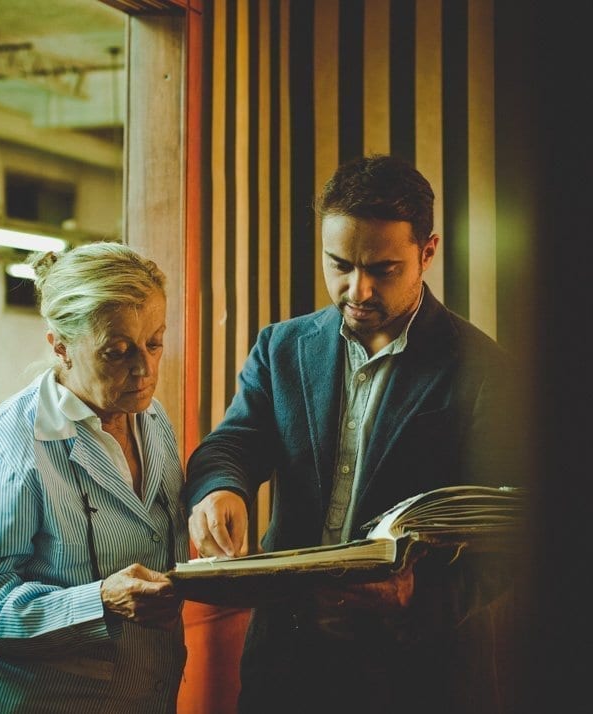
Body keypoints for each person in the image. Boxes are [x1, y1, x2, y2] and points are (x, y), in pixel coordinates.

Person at [183, 155, 524, 713]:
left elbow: (510, 534)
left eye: (383, 269)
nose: (357, 290)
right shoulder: (281, 348)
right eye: (339, 264)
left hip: (418, 677)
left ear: (427, 252)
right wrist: (220, 488)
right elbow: (233, 443)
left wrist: (419, 597)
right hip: (286, 669)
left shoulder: (484, 370)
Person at [0, 243, 188, 713]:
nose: (144, 368)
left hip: (145, 694)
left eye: (154, 342)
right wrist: (100, 600)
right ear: (60, 346)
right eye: (116, 352)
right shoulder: (10, 445)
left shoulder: (152, 419)